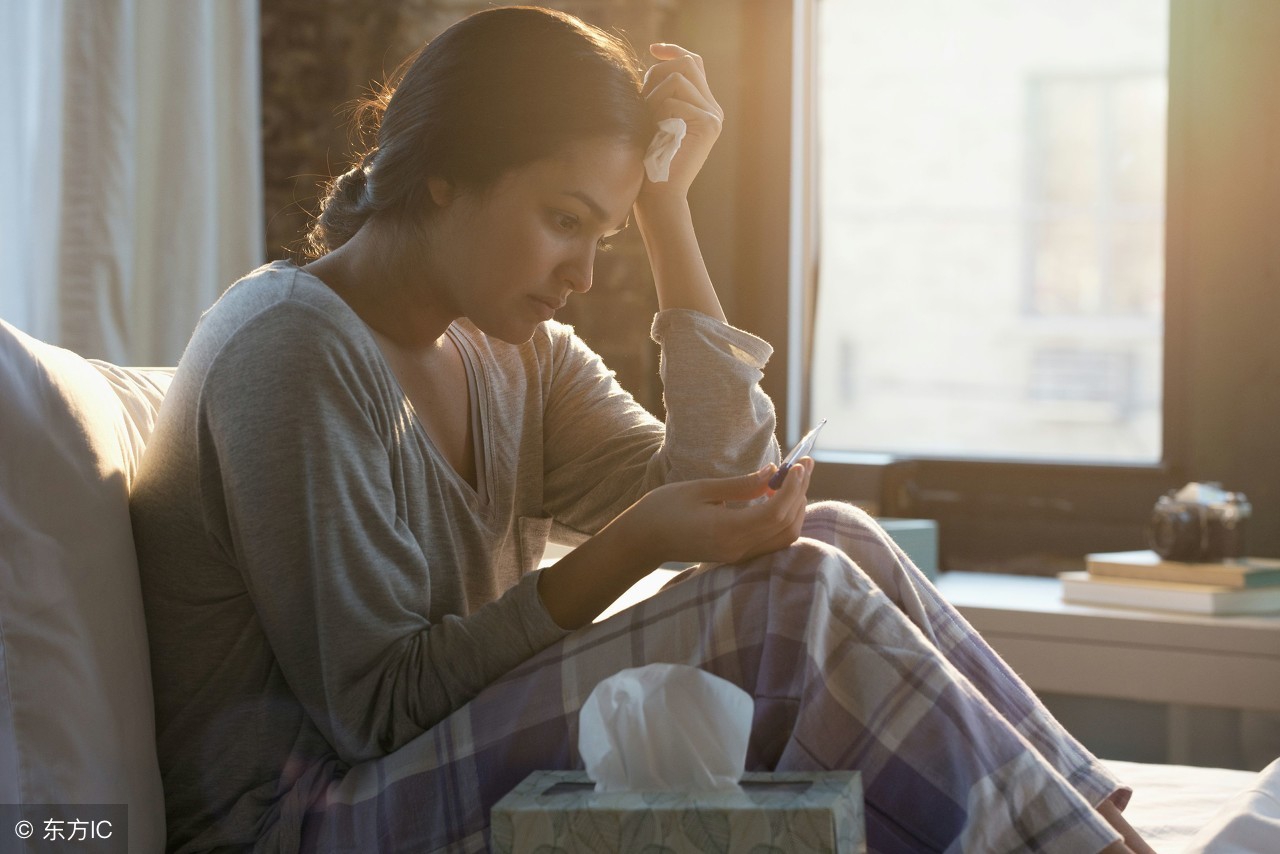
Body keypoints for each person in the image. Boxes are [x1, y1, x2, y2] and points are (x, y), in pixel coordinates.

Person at [131, 6, 1155, 853]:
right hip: (300, 821)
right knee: (791, 612)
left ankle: (1100, 834)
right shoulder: (290, 353)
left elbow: (731, 485)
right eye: (562, 219)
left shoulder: (505, 347)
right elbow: (377, 711)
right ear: (442, 170)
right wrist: (630, 545)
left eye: (603, 233)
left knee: (833, 535)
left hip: (401, 768)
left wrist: (667, 207)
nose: (582, 274)